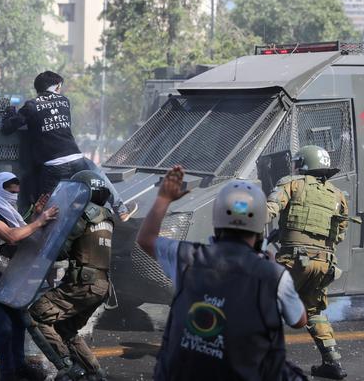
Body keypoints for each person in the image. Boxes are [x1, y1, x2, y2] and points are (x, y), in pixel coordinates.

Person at [137, 166, 308, 381]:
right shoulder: (273, 276)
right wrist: (273, 269)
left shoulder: (186, 257)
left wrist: (164, 198)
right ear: (258, 227)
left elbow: (146, 239)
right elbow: (299, 320)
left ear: (217, 220)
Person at [1, 70, 137, 222]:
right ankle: (121, 210)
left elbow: (8, 128)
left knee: (48, 210)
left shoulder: (31, 106)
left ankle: (42, 238)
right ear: (57, 86)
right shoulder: (65, 101)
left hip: (53, 167)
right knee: (100, 177)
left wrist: (9, 114)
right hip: (77, 161)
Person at [0, 172, 58, 381]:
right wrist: (39, 221)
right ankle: (8, 374)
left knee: (19, 322)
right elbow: (11, 236)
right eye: (9, 192)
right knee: (4, 327)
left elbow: (25, 236)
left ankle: (20, 367)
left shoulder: (3, 209)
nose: (13, 197)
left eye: (16, 193)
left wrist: (35, 217)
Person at [267, 145, 349, 379]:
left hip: (293, 261)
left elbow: (271, 208)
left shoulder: (292, 183)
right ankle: (332, 362)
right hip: (324, 263)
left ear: (303, 165)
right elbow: (339, 234)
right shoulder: (338, 195)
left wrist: (242, 222)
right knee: (313, 310)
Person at [28, 170, 115, 381]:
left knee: (36, 315)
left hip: (83, 285)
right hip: (102, 286)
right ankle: (94, 371)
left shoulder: (84, 215)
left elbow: (58, 251)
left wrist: (41, 225)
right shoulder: (106, 216)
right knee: (66, 328)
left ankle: (66, 365)